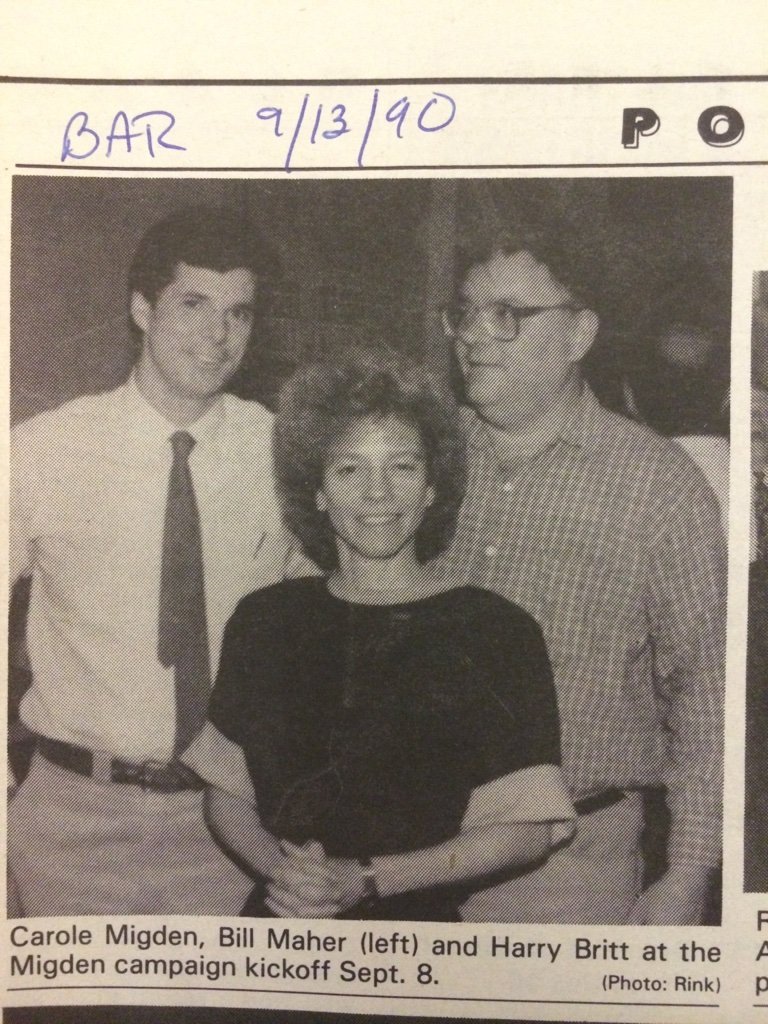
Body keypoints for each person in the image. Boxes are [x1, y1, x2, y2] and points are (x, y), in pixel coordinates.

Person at [184, 358, 574, 921]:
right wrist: (285, 874)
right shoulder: (266, 619)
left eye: (402, 467)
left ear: (432, 486)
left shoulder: (495, 630)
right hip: (283, 917)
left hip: (416, 940)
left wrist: (366, 880)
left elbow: (524, 832)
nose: (377, 494)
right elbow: (227, 795)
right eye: (349, 471)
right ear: (316, 491)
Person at [8, 204, 302, 916]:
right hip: (68, 822)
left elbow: (323, 629)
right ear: (142, 308)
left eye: (239, 313)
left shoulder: (284, 453)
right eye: (194, 304)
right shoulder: (42, 450)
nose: (217, 335)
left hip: (228, 828)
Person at [439, 233, 726, 925]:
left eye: (507, 314)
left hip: (563, 870)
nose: (476, 336)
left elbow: (708, 700)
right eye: (466, 312)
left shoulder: (658, 488)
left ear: (579, 333)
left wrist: (686, 875)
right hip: (406, 837)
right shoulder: (421, 456)